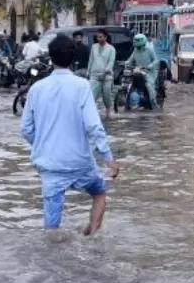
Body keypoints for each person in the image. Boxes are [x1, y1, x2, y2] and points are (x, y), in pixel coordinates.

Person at [20, 34, 120, 235]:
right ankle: (91, 237)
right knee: (99, 193)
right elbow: (94, 126)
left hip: (50, 167)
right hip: (80, 163)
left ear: (50, 57)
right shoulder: (82, 86)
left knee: (51, 227)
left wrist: (44, 144)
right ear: (73, 59)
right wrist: (108, 159)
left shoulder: (36, 89)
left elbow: (26, 129)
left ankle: (53, 258)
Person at [126, 34, 160, 109]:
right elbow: (130, 60)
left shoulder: (149, 50)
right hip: (138, 72)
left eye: (137, 41)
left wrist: (150, 66)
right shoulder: (135, 51)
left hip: (149, 73)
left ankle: (153, 103)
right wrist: (127, 63)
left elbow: (156, 60)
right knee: (129, 85)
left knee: (149, 86)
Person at [88, 28, 116, 117]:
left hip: (107, 76)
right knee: (91, 95)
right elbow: (91, 60)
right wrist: (88, 71)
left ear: (106, 37)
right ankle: (91, 114)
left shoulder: (111, 49)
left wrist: (106, 71)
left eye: (100, 37)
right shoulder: (94, 47)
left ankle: (108, 112)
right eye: (97, 37)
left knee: (106, 95)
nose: (98, 39)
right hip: (94, 75)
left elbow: (111, 62)